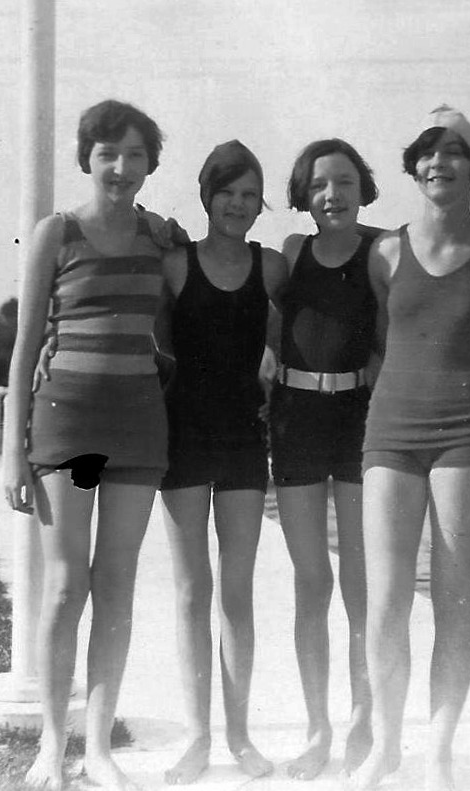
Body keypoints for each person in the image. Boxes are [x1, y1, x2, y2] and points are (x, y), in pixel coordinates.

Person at [352, 106, 470, 791]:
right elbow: (380, 338)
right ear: (413, 165)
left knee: (454, 595)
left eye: (454, 152)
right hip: (391, 431)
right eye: (428, 151)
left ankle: (440, 750)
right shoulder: (385, 254)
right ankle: (386, 744)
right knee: (385, 599)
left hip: (468, 434)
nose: (439, 163)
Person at [2, 99, 172, 791]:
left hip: (137, 426)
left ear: (149, 163)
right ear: (88, 158)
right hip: (68, 428)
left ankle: (98, 747)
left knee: (117, 582)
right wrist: (13, 448)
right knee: (67, 583)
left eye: (134, 155)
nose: (121, 167)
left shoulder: (160, 236)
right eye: (108, 154)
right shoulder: (57, 231)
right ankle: (52, 744)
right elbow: (24, 346)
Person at [156, 140, 288, 784]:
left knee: (236, 592)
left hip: (243, 441)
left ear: (260, 204)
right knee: (191, 592)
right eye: (227, 193)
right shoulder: (174, 265)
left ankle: (238, 737)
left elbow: (301, 327)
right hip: (182, 439)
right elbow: (145, 334)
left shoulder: (272, 267)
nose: (238, 204)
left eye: (249, 195)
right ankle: (196, 737)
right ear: (207, 196)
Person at [269, 138, 381, 780]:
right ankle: (317, 729)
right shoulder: (291, 253)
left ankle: (364, 718)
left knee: (362, 581)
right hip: (296, 419)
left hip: (360, 418)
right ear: (302, 195)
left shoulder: (383, 251)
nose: (331, 195)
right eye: (317, 185)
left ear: (362, 188)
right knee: (312, 581)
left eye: (342, 182)